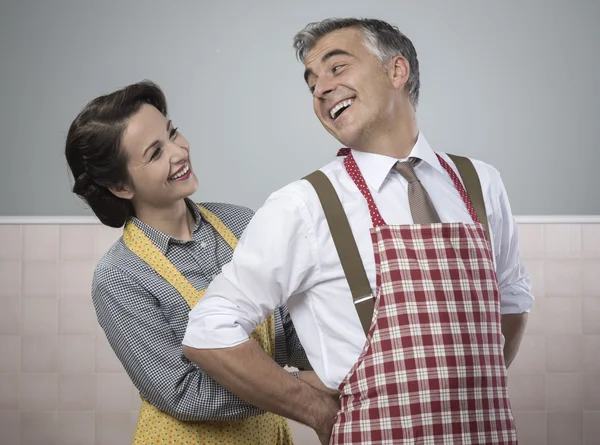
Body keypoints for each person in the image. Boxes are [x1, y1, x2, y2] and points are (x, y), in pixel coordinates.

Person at [181, 17, 535, 445]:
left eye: (336, 67)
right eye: (311, 82)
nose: (320, 88)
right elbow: (208, 331)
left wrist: (468, 393)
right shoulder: (304, 205)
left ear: (396, 71)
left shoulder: (481, 183)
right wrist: (314, 409)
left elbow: (512, 297)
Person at [64, 80, 316, 445]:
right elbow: (185, 393)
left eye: (172, 133)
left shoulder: (241, 223)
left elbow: (290, 333)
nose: (179, 151)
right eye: (155, 153)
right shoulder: (120, 276)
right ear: (121, 187)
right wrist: (300, 390)